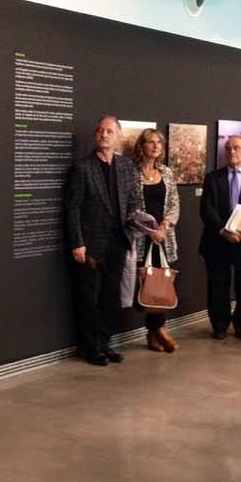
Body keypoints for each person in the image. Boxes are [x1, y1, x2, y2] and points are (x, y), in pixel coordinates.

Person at [65, 116, 137, 366]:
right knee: (88, 298)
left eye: (109, 131)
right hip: (91, 245)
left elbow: (132, 201)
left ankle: (104, 343)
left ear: (117, 136)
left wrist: (134, 224)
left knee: (110, 296)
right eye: (100, 130)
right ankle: (90, 347)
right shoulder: (83, 168)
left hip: (118, 241)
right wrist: (77, 243)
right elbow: (72, 208)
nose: (104, 134)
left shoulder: (127, 166)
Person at [199, 135, 241, 340]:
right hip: (218, 242)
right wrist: (224, 230)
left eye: (236, 148)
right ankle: (219, 325)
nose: (231, 152)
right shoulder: (213, 178)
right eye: (228, 148)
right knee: (218, 287)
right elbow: (206, 209)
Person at [131, 128, 180, 352]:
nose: (156, 146)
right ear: (141, 147)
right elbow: (129, 210)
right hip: (141, 240)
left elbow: (174, 205)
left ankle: (154, 332)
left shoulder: (167, 173)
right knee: (147, 286)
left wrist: (164, 226)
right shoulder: (131, 174)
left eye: (159, 143)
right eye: (150, 142)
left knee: (161, 285)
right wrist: (149, 230)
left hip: (164, 239)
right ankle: (158, 330)